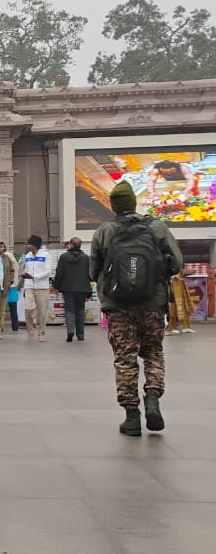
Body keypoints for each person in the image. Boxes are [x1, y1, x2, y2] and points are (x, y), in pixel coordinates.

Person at [89, 180, 182, 436]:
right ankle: (153, 398)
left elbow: (93, 270)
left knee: (125, 359)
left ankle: (131, 417)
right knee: (153, 353)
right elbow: (177, 263)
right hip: (153, 303)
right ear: (133, 202)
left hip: (118, 307)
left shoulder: (105, 231)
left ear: (113, 205)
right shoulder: (155, 227)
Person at [53, 236, 92, 343]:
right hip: (82, 289)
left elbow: (59, 273)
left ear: (70, 244)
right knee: (80, 311)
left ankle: (70, 331)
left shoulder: (64, 257)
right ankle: (80, 335)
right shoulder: (86, 258)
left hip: (67, 288)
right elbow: (91, 275)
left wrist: (56, 286)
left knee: (69, 310)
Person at [19, 235, 52, 342]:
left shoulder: (46, 255)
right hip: (29, 287)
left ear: (35, 245)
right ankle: (30, 330)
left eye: (30, 244)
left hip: (42, 287)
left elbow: (48, 271)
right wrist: (24, 274)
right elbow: (26, 268)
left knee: (42, 313)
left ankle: (41, 333)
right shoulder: (28, 255)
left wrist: (36, 277)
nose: (28, 246)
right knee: (28, 309)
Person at [166, 267, 195, 336]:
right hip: (172, 287)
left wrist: (186, 272)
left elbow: (182, 273)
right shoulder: (167, 264)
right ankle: (172, 327)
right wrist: (173, 276)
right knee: (173, 307)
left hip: (181, 286)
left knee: (185, 305)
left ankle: (186, 327)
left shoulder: (179, 265)